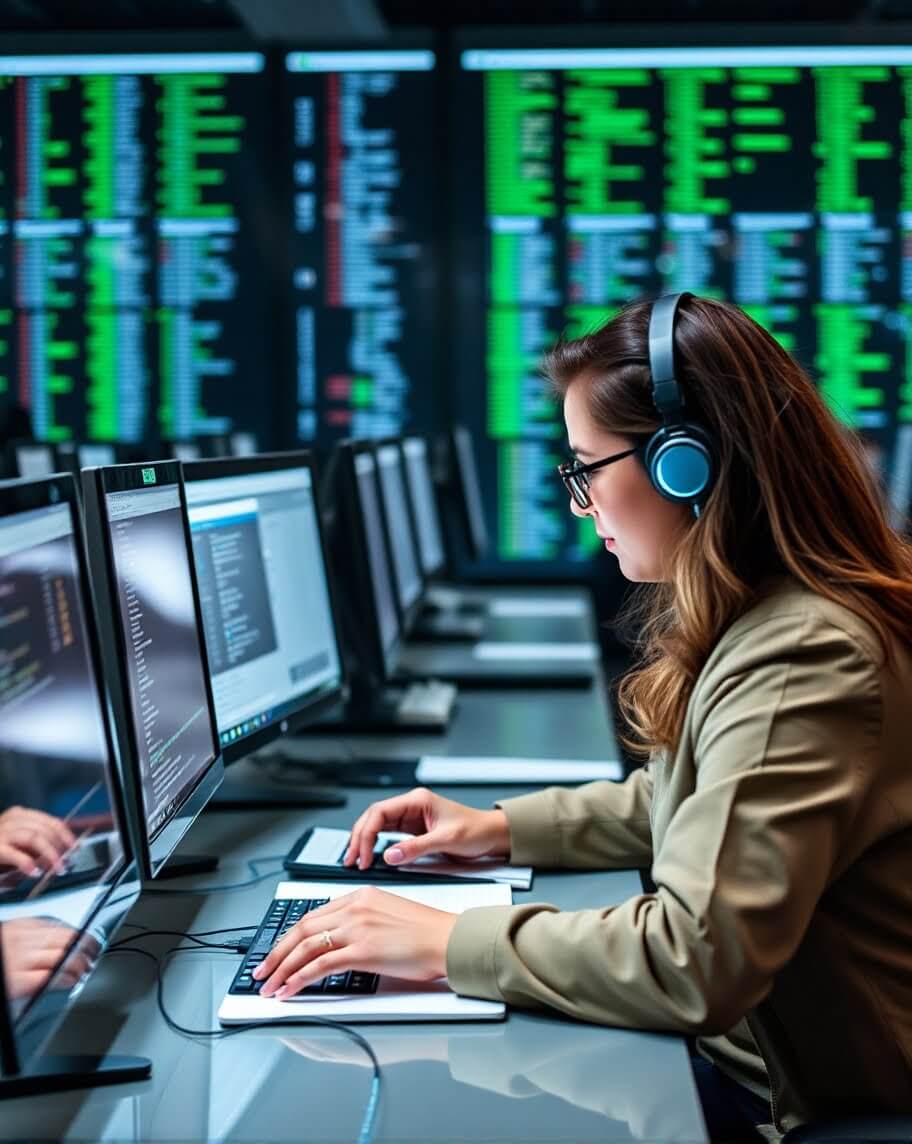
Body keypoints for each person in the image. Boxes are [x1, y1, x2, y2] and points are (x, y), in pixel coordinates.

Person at [252, 294, 912, 1138]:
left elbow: (695, 959)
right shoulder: (768, 612)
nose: (578, 503)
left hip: (802, 1100)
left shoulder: (801, 653)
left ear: (688, 465)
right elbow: (682, 803)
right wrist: (493, 827)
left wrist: (448, 943)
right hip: (754, 1058)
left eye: (585, 469)